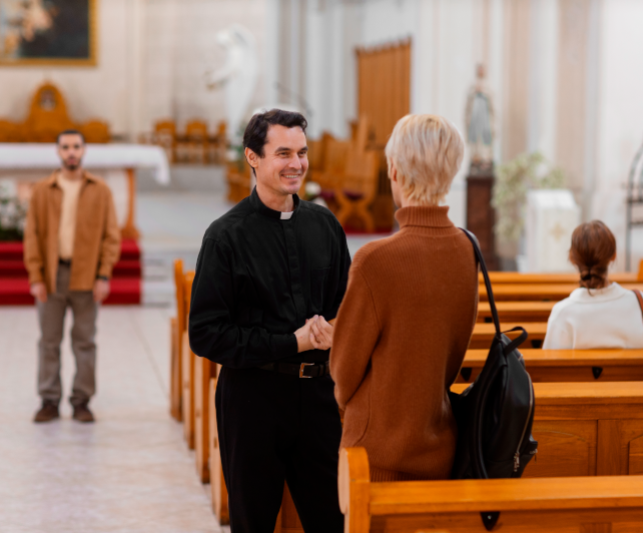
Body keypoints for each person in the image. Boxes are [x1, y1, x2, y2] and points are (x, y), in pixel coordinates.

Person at [188, 109, 350, 533]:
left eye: (301, 152)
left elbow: (345, 305)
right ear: (253, 158)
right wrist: (289, 343)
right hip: (252, 400)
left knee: (332, 521)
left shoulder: (326, 226)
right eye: (283, 153)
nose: (296, 163)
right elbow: (205, 334)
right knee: (253, 522)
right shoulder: (225, 236)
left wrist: (337, 329)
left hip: (319, 398)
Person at [327, 114, 478, 482]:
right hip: (440, 444)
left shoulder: (375, 260)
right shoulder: (466, 249)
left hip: (375, 456)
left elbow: (343, 372)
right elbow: (451, 351)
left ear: (394, 170)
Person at [24, 129, 121, 423]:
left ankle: (81, 400)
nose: (71, 152)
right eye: (65, 147)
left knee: (84, 341)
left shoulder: (100, 190)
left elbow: (111, 237)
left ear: (83, 150)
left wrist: (103, 275)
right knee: (49, 341)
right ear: (57, 151)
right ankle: (49, 400)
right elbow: (32, 236)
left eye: (76, 146)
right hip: (52, 276)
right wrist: (36, 276)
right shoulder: (42, 190)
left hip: (86, 275)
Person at [543, 220, 643, 349]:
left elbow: (550, 366)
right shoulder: (638, 302)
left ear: (572, 259)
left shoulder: (562, 312)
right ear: (613, 256)